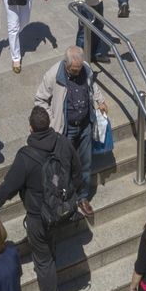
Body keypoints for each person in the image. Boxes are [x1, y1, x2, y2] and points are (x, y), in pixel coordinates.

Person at [0, 105, 79, 291]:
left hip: (38, 216)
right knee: (51, 241)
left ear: (30, 128)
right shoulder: (63, 142)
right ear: (48, 124)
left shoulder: (26, 156)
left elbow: (9, 186)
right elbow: (77, 171)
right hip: (61, 208)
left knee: (43, 261)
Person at [32, 46, 109, 215]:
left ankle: (82, 197)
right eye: (73, 70)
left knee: (86, 163)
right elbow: (40, 100)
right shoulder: (53, 75)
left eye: (78, 69)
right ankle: (64, 197)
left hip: (84, 126)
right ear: (66, 65)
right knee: (64, 166)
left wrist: (100, 100)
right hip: (65, 129)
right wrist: (53, 122)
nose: (76, 73)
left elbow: (92, 85)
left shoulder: (85, 69)